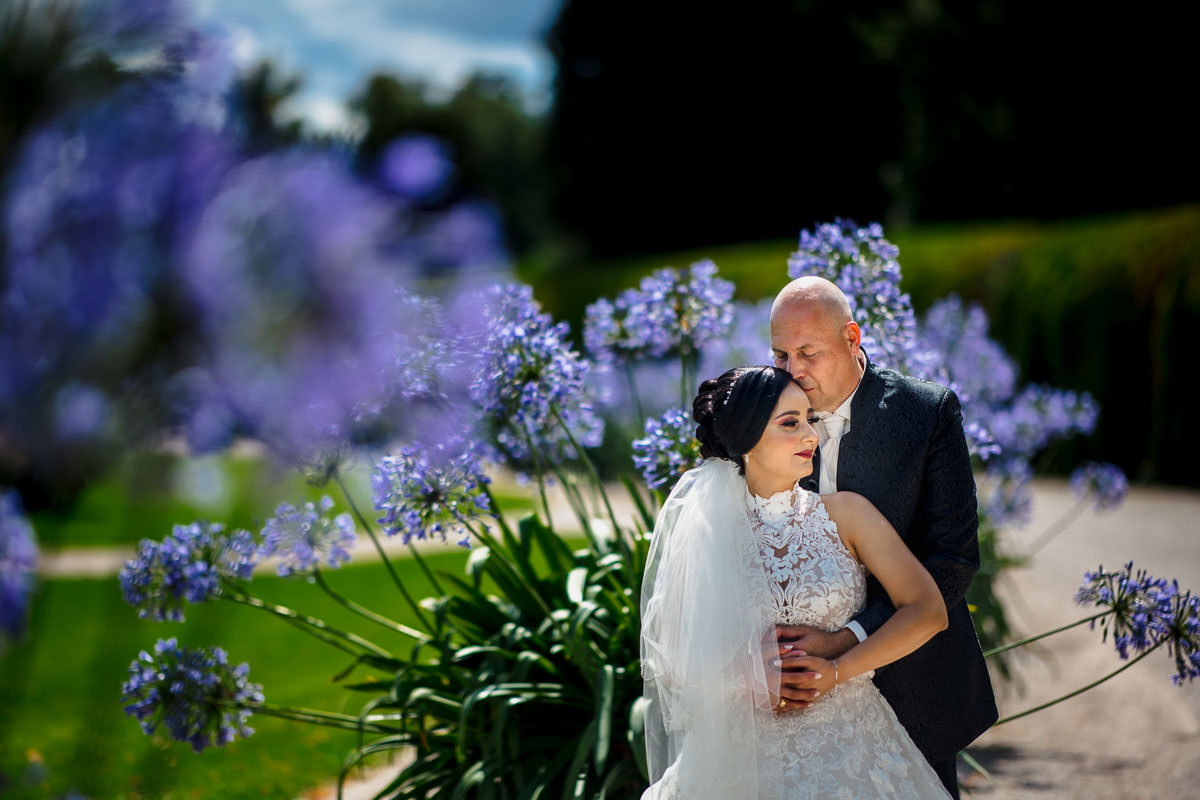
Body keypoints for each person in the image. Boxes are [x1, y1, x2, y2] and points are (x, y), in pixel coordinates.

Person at [640, 365, 954, 799]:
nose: (811, 435)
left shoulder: (848, 514)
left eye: (810, 419)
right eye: (791, 423)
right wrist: (749, 678)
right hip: (736, 760)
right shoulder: (705, 531)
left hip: (851, 749)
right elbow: (668, 660)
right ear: (746, 439)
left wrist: (837, 671)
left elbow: (928, 611)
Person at [768, 276, 997, 796]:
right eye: (780, 354)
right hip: (790, 694)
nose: (792, 372)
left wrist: (846, 639)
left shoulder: (925, 414)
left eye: (808, 353)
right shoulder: (761, 414)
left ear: (852, 339)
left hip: (912, 678)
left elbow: (952, 561)